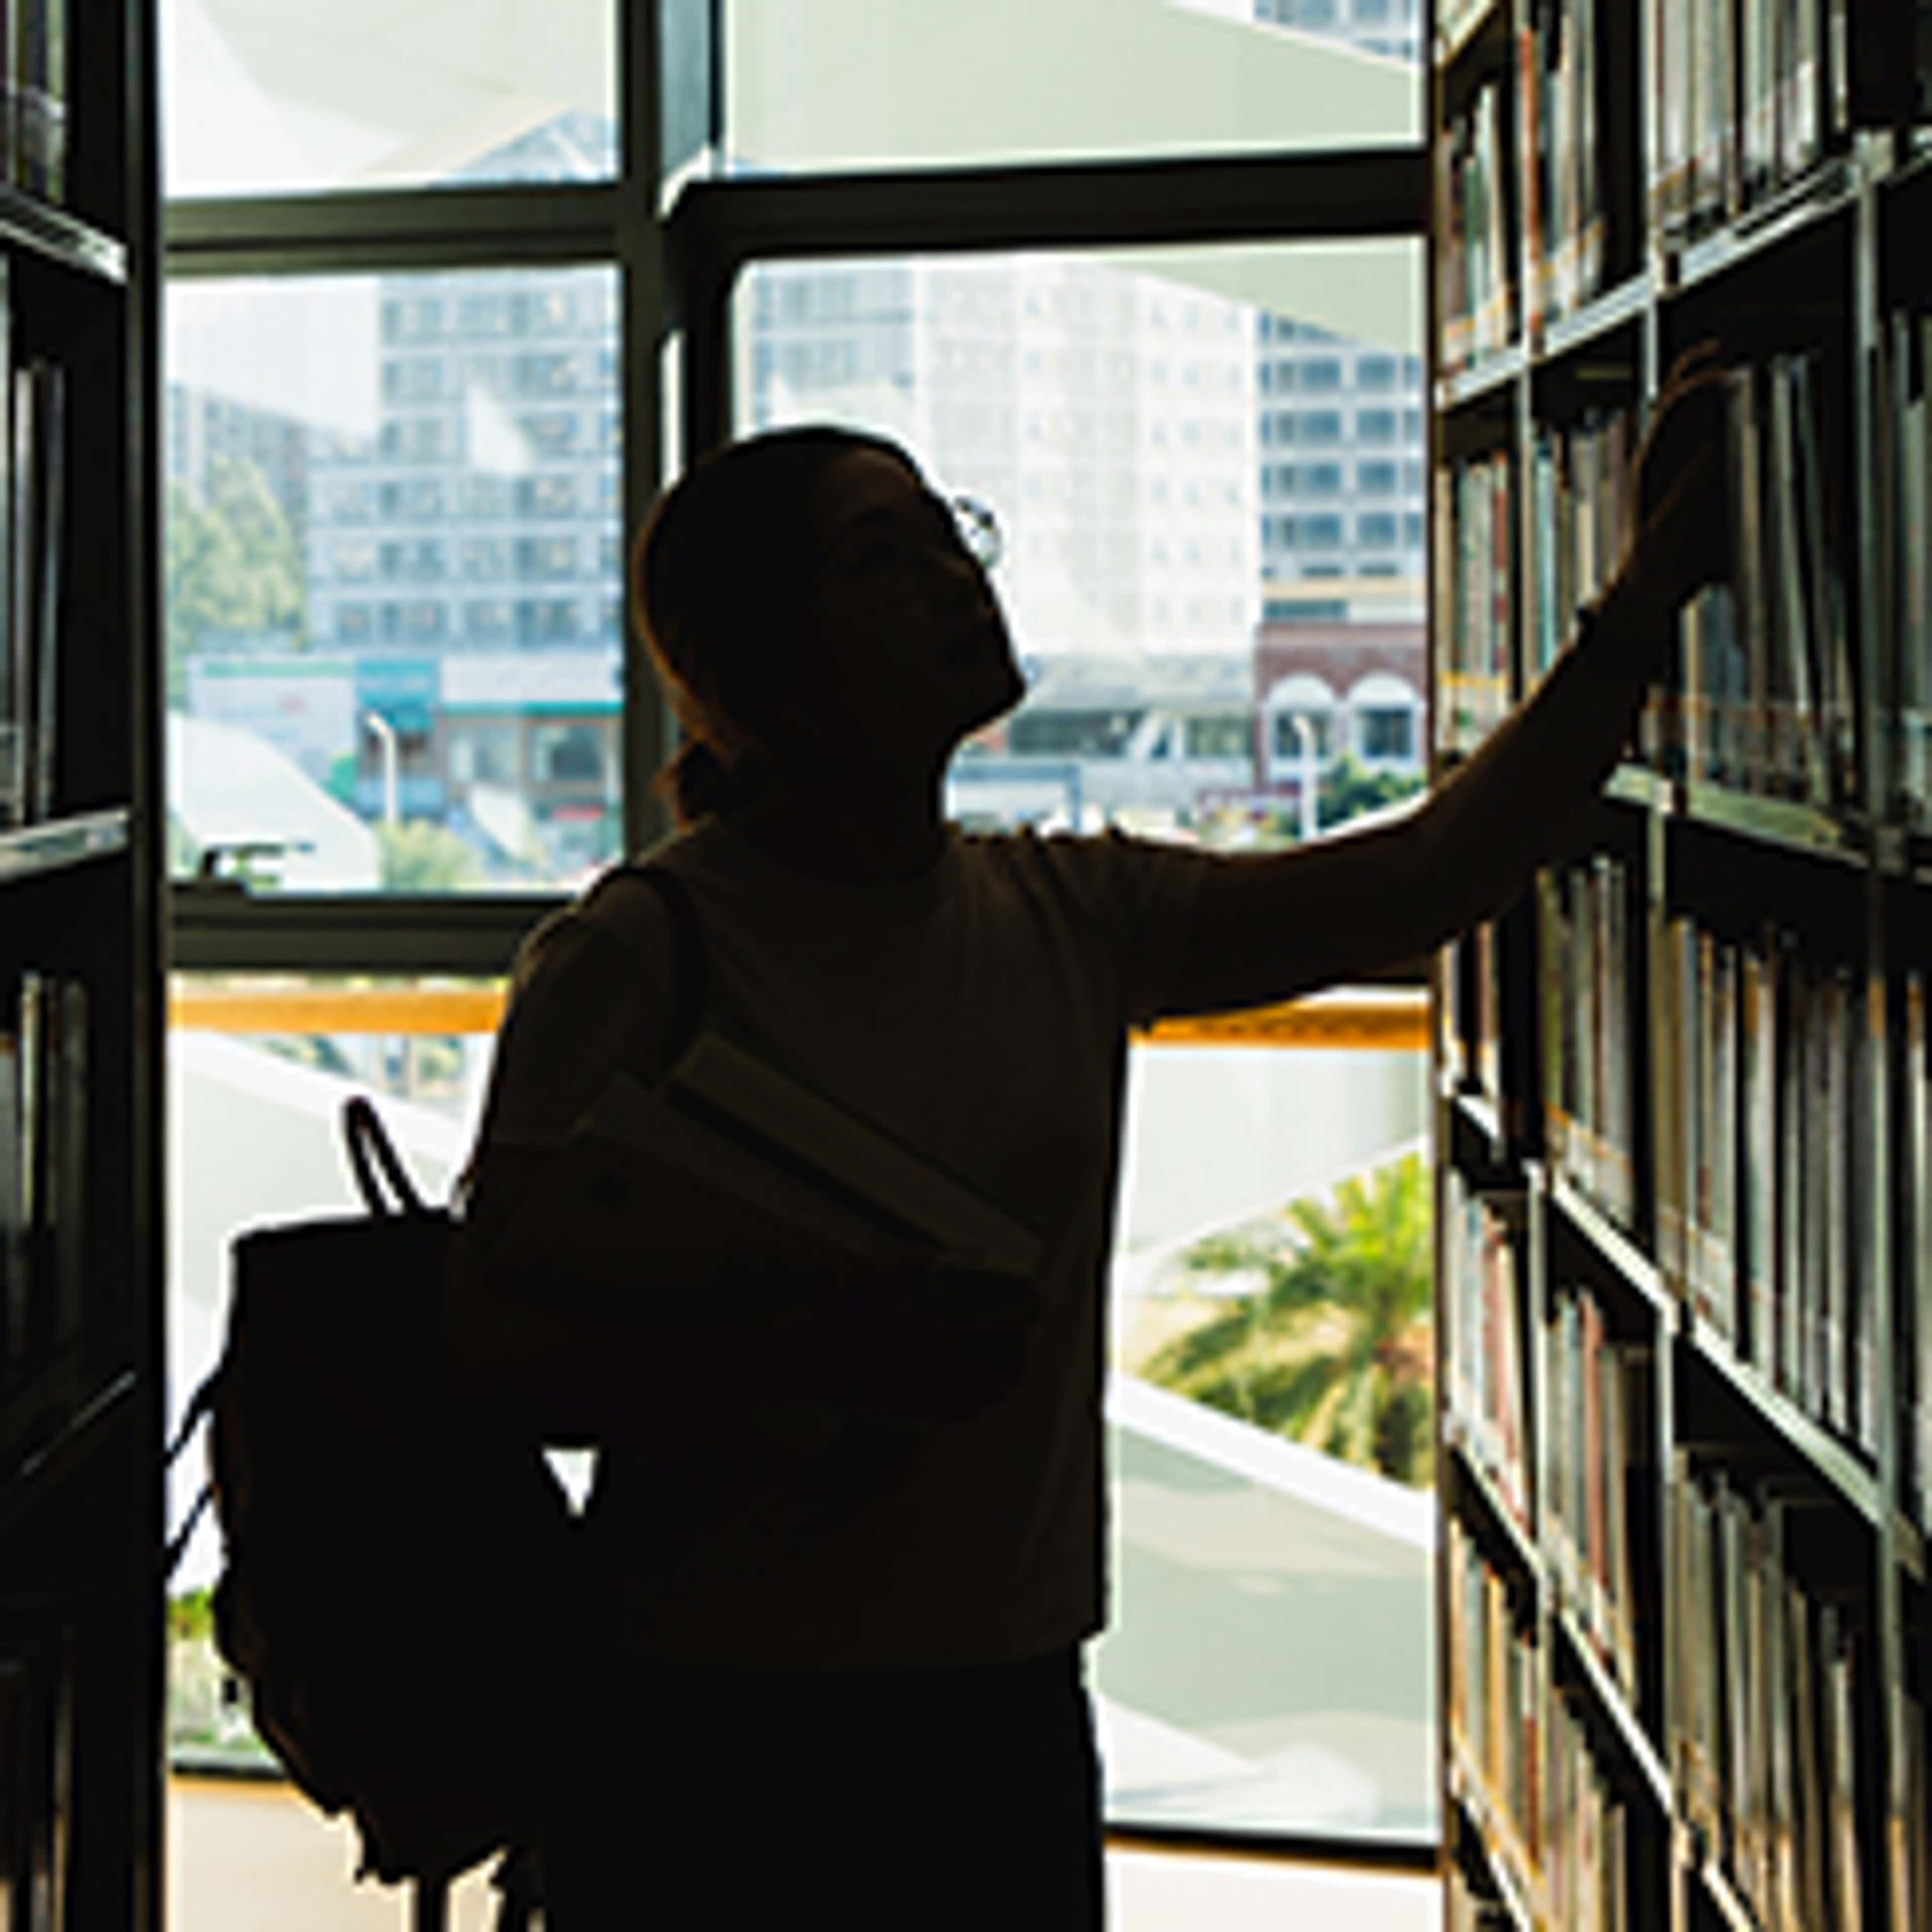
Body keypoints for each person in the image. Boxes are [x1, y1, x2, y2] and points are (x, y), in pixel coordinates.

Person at [444, 345, 1730, 1926]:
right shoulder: (640, 952)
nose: (949, 581)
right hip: (705, 1718)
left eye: (944, 534)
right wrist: (820, 1343)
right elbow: (502, 1352)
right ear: (762, 658)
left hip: (1001, 1699)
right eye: (876, 556)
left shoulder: (1063, 912)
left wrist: (1648, 598)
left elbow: (1430, 875)